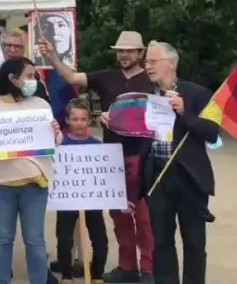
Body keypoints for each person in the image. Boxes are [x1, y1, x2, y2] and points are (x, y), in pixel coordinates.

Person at [39, 30, 155, 283]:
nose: (124, 55)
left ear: (141, 53)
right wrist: (53, 56)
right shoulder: (105, 77)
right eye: (120, 51)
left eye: (129, 51)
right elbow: (70, 76)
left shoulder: (151, 80)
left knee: (144, 217)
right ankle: (127, 267)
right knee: (119, 216)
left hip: (142, 155)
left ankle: (148, 269)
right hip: (111, 157)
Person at [0, 57, 63, 284]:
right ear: (13, 78)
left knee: (35, 240)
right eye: (30, 76)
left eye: (35, 76)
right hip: (2, 184)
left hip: (34, 184)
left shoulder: (42, 105)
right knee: (2, 239)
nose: (35, 80)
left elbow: (55, 140)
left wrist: (56, 133)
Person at [138, 42, 218, 284]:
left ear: (170, 63)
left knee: (194, 241)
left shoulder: (197, 93)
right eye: (146, 62)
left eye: (153, 62)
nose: (147, 66)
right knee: (161, 241)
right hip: (157, 176)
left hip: (189, 178)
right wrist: (116, 120)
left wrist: (185, 113)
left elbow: (212, 133)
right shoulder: (144, 95)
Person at [54, 98, 108, 284]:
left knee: (100, 241)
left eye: (83, 119)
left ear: (89, 121)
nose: (79, 123)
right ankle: (67, 276)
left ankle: (97, 275)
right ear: (67, 120)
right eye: (74, 119)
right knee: (64, 240)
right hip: (66, 200)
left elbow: (106, 174)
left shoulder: (98, 145)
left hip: (92, 200)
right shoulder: (59, 145)